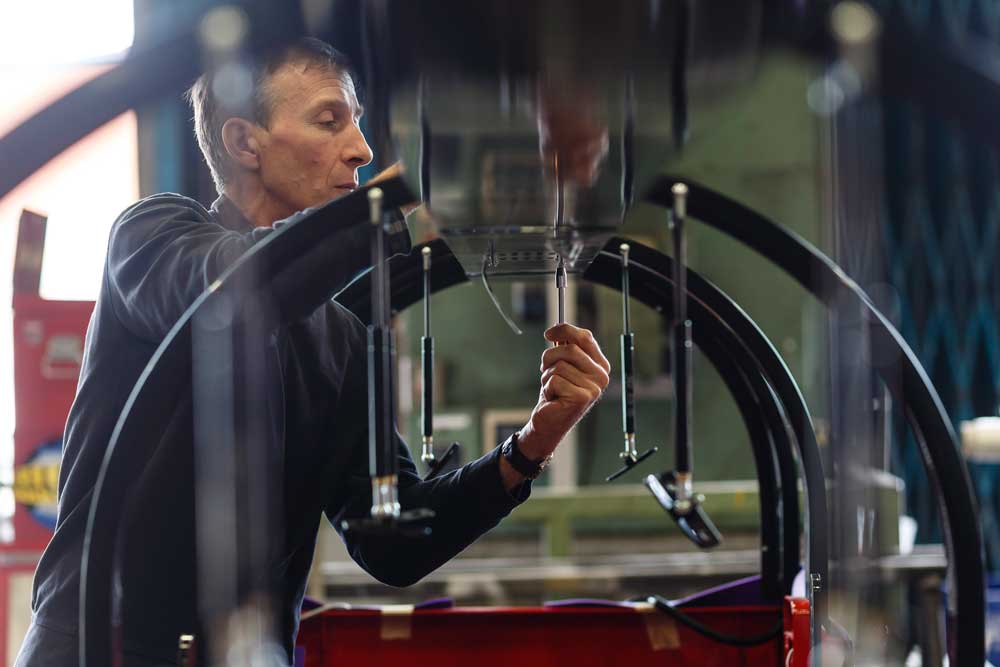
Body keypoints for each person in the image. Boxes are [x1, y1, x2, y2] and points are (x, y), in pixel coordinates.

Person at [17, 37, 610, 666]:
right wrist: (410, 187)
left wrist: (532, 443)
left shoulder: (340, 339)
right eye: (330, 121)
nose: (360, 148)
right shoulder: (151, 240)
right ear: (245, 143)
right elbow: (231, 297)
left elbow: (395, 543)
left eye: (355, 123)